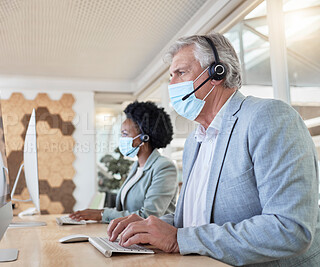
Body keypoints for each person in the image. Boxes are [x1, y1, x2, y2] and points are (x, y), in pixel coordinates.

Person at [107, 33, 320, 266]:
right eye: (170, 76)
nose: (171, 85)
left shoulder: (268, 117)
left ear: (217, 73)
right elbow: (196, 221)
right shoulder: (193, 143)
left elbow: (290, 228)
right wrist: (148, 227)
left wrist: (179, 239)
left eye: (180, 73)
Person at [70, 101, 178, 223]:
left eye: (125, 134)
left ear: (144, 138)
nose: (122, 139)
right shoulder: (136, 167)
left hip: (153, 239)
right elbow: (125, 209)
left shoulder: (164, 167)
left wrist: (102, 214)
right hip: (130, 235)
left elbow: (148, 215)